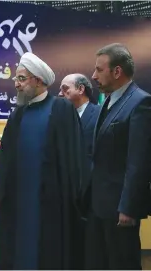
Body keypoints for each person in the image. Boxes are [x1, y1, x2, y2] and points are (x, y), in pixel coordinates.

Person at [0, 52, 87, 270]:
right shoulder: (17, 114)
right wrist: (0, 191)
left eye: (21, 78)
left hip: (52, 201)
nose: (16, 84)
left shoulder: (61, 109)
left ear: (38, 80)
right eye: (16, 79)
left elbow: (73, 157)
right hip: (18, 198)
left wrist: (73, 196)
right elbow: (6, 156)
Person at [82, 43, 151, 270]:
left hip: (120, 210)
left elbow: (138, 162)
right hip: (98, 205)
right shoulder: (109, 100)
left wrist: (128, 207)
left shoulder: (140, 102)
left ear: (117, 71)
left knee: (122, 264)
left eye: (99, 70)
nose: (93, 76)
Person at [59, 73, 100, 163]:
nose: (60, 94)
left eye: (65, 88)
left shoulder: (100, 114)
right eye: (60, 90)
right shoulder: (60, 117)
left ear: (81, 89)